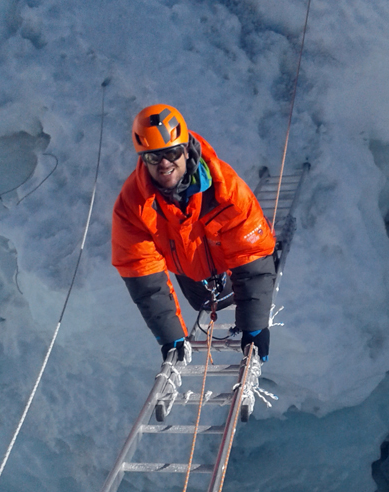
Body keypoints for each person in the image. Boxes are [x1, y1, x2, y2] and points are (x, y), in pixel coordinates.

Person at [111, 104, 276, 362]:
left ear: (186, 149)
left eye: (172, 152)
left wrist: (255, 325)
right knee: (202, 302)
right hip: (190, 273)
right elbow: (142, 273)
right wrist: (170, 338)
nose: (164, 163)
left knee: (241, 283)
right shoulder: (133, 207)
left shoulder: (226, 190)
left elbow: (250, 256)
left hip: (229, 264)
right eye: (154, 157)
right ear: (143, 159)